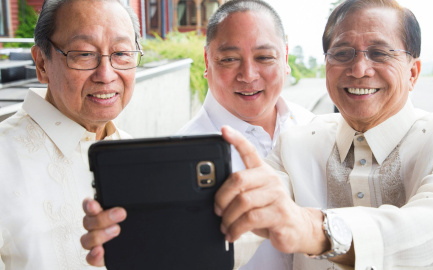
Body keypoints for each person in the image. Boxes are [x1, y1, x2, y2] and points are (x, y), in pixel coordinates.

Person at [213, 0, 433, 269]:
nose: (360, 69)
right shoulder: (295, 144)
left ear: (412, 73)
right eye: (342, 53)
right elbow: (238, 229)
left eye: (380, 53)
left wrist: (313, 229)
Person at [82, 0, 314, 269]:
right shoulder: (177, 159)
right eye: (229, 59)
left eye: (264, 57)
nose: (249, 75)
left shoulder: (315, 128)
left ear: (285, 57)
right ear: (207, 61)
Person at [0, 0, 142, 268]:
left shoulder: (139, 156)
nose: (106, 74)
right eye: (84, 53)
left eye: (122, 53)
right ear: (42, 63)